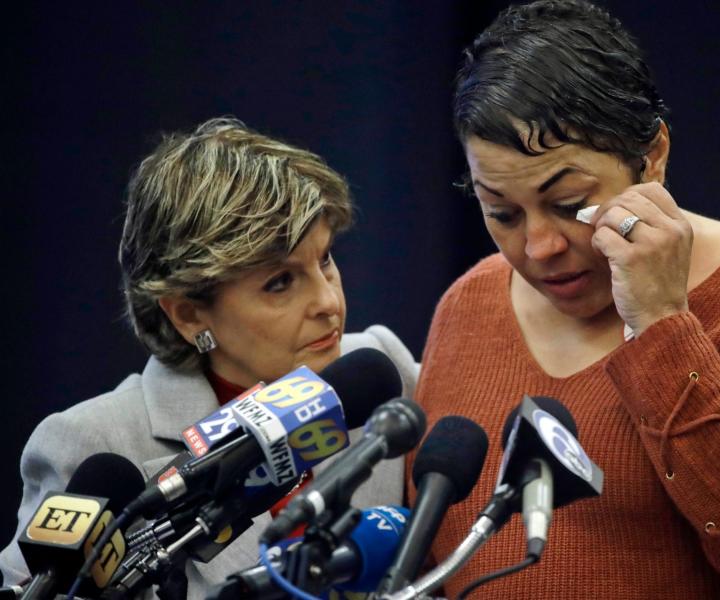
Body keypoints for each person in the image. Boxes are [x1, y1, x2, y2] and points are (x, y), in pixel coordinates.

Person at [412, 1, 720, 599]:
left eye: (569, 202)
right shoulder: (468, 303)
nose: (540, 246)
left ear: (651, 156)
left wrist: (661, 325)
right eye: (500, 212)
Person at [0, 118, 418, 598]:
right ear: (188, 314)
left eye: (324, 259)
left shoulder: (377, 369)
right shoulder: (90, 443)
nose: (328, 301)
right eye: (280, 282)